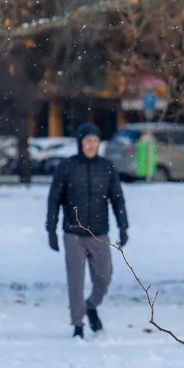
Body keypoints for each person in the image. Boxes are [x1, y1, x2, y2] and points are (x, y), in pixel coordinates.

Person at [46, 122, 129, 339]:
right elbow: (54, 200)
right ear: (79, 144)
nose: (91, 145)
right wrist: (51, 230)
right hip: (73, 233)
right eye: (87, 141)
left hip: (99, 232)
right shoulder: (67, 167)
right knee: (76, 280)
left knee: (104, 277)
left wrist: (123, 227)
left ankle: (91, 306)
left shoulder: (107, 168)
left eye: (94, 141)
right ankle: (78, 324)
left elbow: (117, 200)